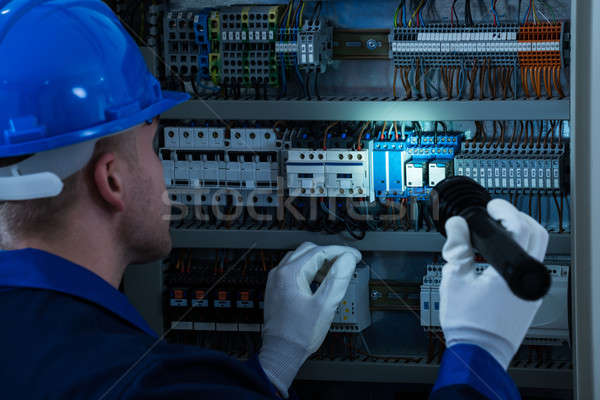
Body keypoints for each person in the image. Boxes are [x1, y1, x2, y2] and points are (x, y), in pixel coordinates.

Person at [0, 1, 548, 399]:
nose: (167, 169)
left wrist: (273, 366)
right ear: (112, 180)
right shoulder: (148, 384)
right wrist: (479, 351)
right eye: (157, 145)